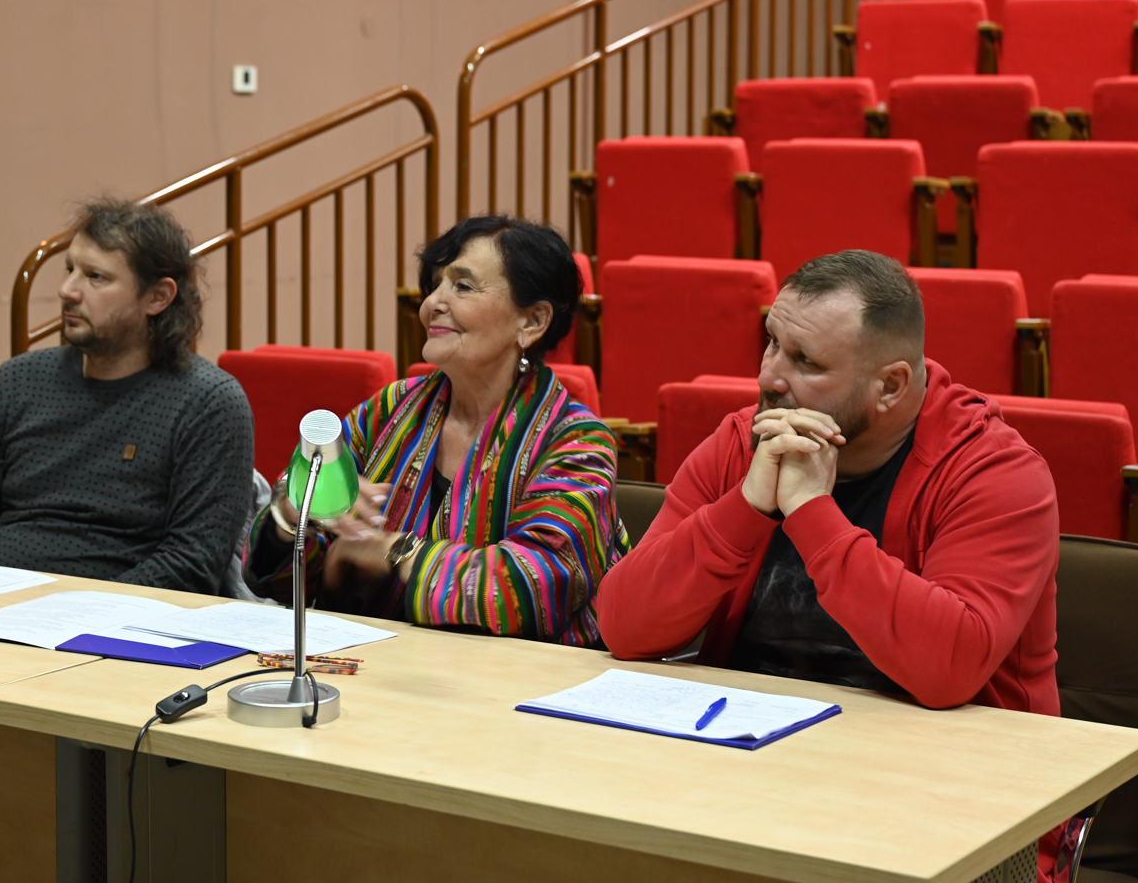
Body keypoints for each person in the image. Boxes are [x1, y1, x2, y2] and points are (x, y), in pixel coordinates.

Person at [598, 250, 1059, 713]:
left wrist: (810, 511)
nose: (768, 376)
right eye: (772, 343)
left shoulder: (996, 472)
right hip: (749, 731)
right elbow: (623, 628)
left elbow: (950, 671)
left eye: (806, 361)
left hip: (940, 747)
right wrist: (745, 507)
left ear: (890, 387)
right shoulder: (745, 442)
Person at [243, 215, 628, 646]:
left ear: (532, 322)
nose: (432, 304)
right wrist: (292, 516)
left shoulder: (574, 440)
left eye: (462, 286)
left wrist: (396, 552)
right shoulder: (390, 409)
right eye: (435, 285)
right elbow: (278, 578)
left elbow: (536, 586)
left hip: (517, 677)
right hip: (371, 660)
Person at [0, 198, 255, 594]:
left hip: (123, 620)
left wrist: (71, 610)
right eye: (69, 269)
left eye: (95, 277)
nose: (67, 290)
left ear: (158, 297)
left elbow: (191, 564)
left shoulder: (207, 402)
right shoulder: (17, 381)